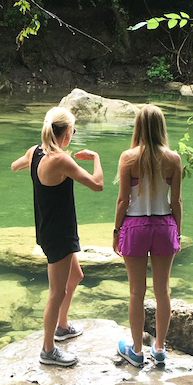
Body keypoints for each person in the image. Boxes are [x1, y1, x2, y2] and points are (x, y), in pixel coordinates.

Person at [11, 106, 103, 367]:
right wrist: (96, 158)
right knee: (57, 292)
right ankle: (48, 350)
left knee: (76, 276)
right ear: (67, 133)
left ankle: (62, 327)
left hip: (49, 227)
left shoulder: (36, 152)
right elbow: (97, 185)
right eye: (73, 130)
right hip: (59, 233)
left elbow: (14, 166)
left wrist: (28, 163)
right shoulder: (60, 160)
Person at [112, 104, 182, 369]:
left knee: (135, 292)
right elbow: (175, 200)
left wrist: (117, 231)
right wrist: (178, 229)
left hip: (135, 226)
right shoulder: (173, 159)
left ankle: (137, 351)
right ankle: (161, 349)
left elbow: (122, 200)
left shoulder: (128, 158)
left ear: (138, 127)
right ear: (161, 126)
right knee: (163, 290)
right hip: (164, 225)